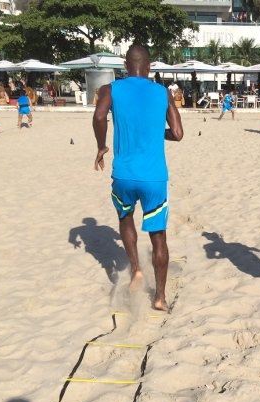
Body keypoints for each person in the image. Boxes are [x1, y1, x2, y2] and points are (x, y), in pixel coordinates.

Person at [93, 44, 184, 311]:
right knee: (159, 237)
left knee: (125, 218)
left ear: (125, 65)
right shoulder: (162, 92)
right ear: (149, 66)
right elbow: (178, 134)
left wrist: (101, 146)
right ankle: (160, 297)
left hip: (123, 174)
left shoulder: (111, 89)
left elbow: (99, 116)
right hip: (154, 177)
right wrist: (159, 134)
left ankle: (136, 270)